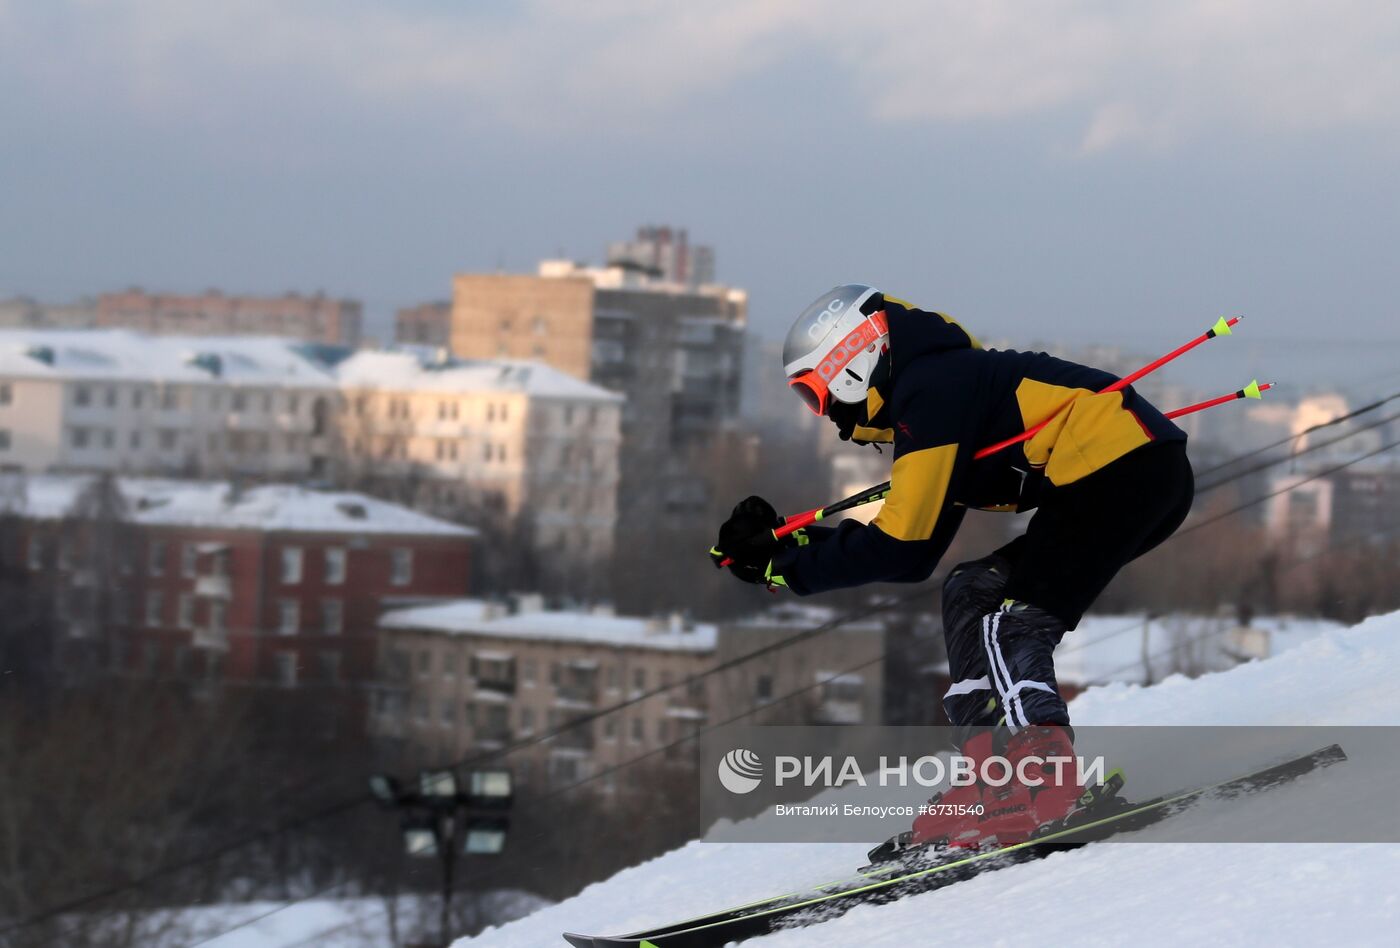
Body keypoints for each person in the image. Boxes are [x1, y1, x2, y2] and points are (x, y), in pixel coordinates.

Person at [712, 284, 1195, 848]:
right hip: (1120, 479)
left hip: (1128, 472)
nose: (825, 414)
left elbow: (902, 543)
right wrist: (785, 556)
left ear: (850, 363)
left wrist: (790, 568)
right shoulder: (935, 392)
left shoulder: (932, 389)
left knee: (1013, 622)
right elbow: (917, 550)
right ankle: (991, 778)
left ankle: (1048, 778)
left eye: (814, 394)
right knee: (970, 590)